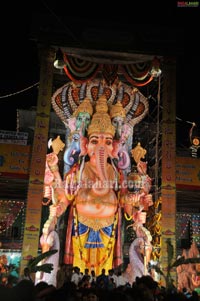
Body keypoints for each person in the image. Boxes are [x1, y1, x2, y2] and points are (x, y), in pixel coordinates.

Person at [42, 95, 153, 279]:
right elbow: (65, 198)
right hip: (81, 229)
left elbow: (124, 201)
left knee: (106, 272)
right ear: (86, 145)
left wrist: (136, 203)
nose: (101, 146)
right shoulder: (79, 171)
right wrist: (54, 172)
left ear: (113, 147)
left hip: (108, 229)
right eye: (95, 141)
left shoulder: (116, 173)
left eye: (107, 142)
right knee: (78, 271)